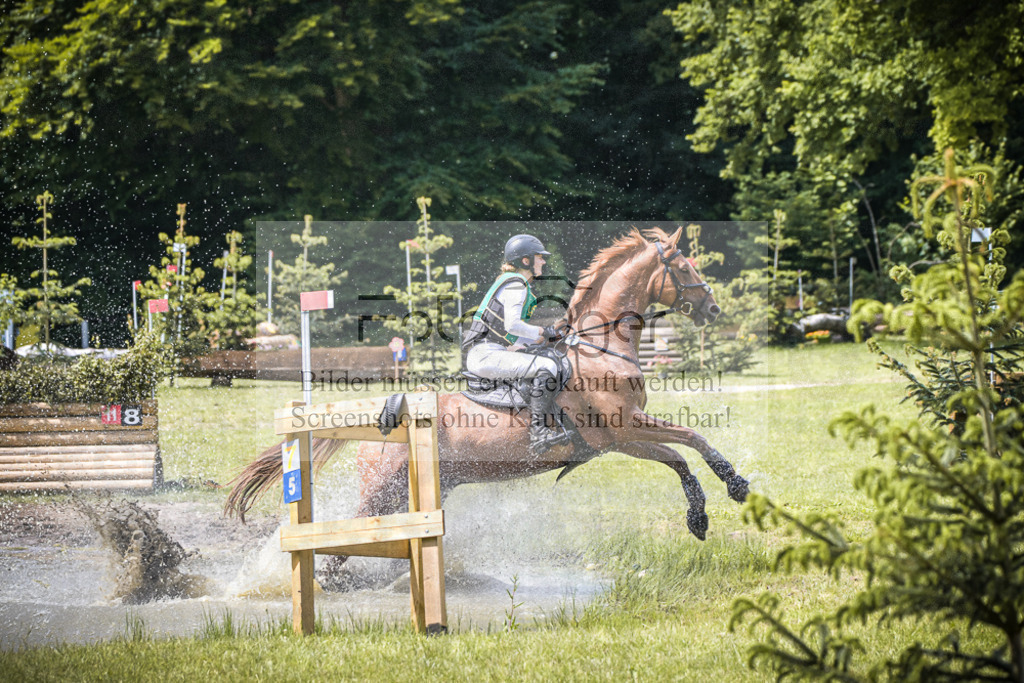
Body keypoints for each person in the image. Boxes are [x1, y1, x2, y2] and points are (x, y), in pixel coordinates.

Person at [463, 234, 570, 455]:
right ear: (525, 260)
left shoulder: (510, 282)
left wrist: (545, 336)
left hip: (489, 351)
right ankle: (539, 433)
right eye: (540, 257)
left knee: (541, 359)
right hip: (485, 355)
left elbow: (513, 334)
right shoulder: (516, 284)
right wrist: (543, 331)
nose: (543, 262)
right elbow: (513, 325)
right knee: (547, 367)